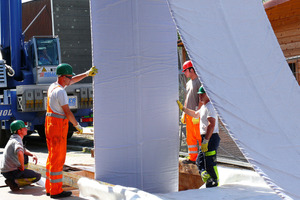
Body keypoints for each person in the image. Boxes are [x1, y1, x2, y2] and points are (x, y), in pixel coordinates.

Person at [45, 63, 98, 198]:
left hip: (50, 125)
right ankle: (56, 191)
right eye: (69, 77)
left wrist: (86, 73)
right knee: (58, 159)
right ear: (63, 77)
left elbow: (73, 80)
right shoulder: (60, 92)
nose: (71, 80)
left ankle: (50, 188)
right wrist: (77, 126)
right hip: (58, 127)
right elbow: (68, 112)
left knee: (52, 157)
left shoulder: (53, 86)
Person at [177, 86, 220, 187]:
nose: (200, 96)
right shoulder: (204, 107)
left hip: (211, 137)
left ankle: (214, 181)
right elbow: (195, 114)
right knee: (200, 161)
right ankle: (208, 179)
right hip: (207, 138)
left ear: (208, 95)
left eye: (202, 94)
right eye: (199, 94)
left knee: (210, 161)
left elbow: (211, 125)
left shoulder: (210, 107)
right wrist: (183, 109)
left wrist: (206, 140)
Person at [0, 120, 41, 191]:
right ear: (19, 131)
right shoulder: (17, 141)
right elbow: (20, 153)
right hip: (11, 172)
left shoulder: (14, 138)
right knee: (37, 177)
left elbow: (23, 150)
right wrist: (22, 166)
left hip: (6, 171)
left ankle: (21, 175)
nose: (26, 129)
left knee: (25, 156)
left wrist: (32, 154)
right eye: (24, 128)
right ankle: (14, 182)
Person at [181, 60, 201, 164]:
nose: (184, 73)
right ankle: (193, 158)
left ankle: (203, 159)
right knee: (191, 138)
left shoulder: (199, 82)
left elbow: (202, 99)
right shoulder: (189, 83)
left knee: (200, 137)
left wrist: (198, 113)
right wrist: (184, 112)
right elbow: (187, 98)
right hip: (189, 115)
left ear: (191, 69)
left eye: (185, 70)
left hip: (196, 115)